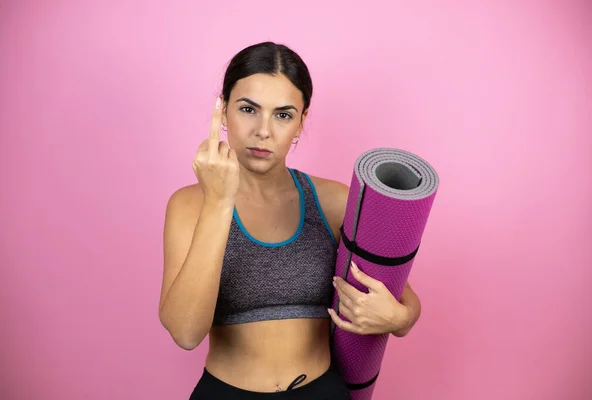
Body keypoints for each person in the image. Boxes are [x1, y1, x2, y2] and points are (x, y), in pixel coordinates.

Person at [159, 41, 422, 399]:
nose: (263, 130)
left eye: (283, 114)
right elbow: (185, 332)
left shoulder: (332, 201)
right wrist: (219, 201)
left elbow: (404, 301)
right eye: (248, 109)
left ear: (301, 122)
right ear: (222, 111)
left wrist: (399, 320)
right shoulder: (190, 205)